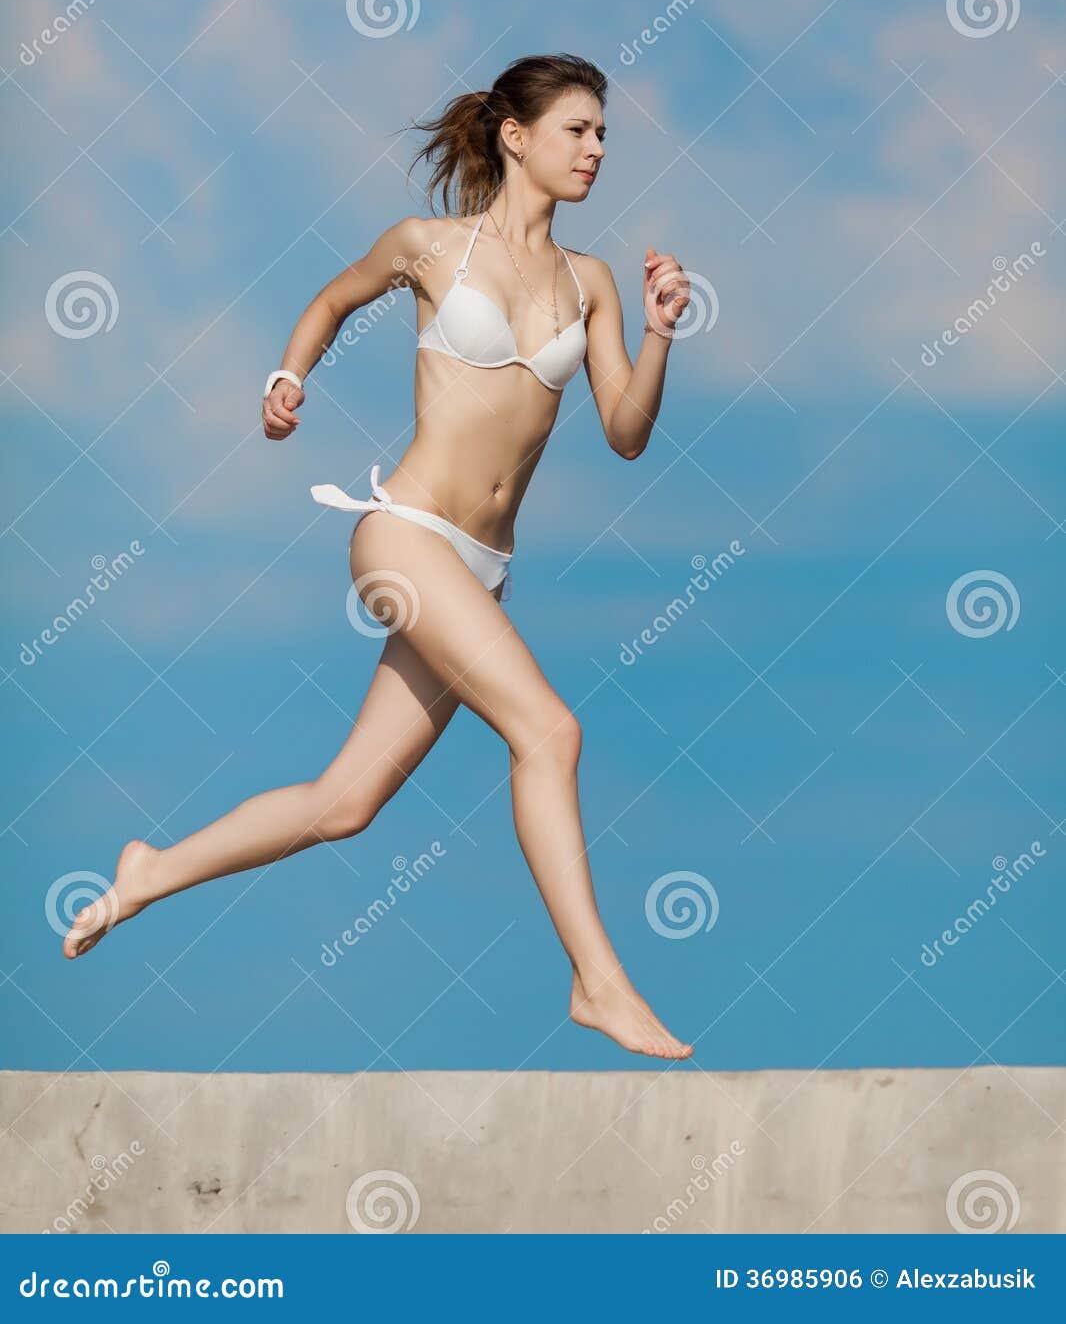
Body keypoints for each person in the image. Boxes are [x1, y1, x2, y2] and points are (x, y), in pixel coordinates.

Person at [63, 53, 693, 1060]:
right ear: (516, 136)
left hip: (481, 570)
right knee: (550, 731)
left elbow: (624, 429)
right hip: (401, 535)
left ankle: (150, 870)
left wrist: (659, 335)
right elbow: (330, 301)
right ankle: (598, 981)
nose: (597, 150)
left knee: (343, 803)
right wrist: (286, 377)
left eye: (604, 133)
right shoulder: (428, 246)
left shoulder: (592, 281)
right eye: (578, 129)